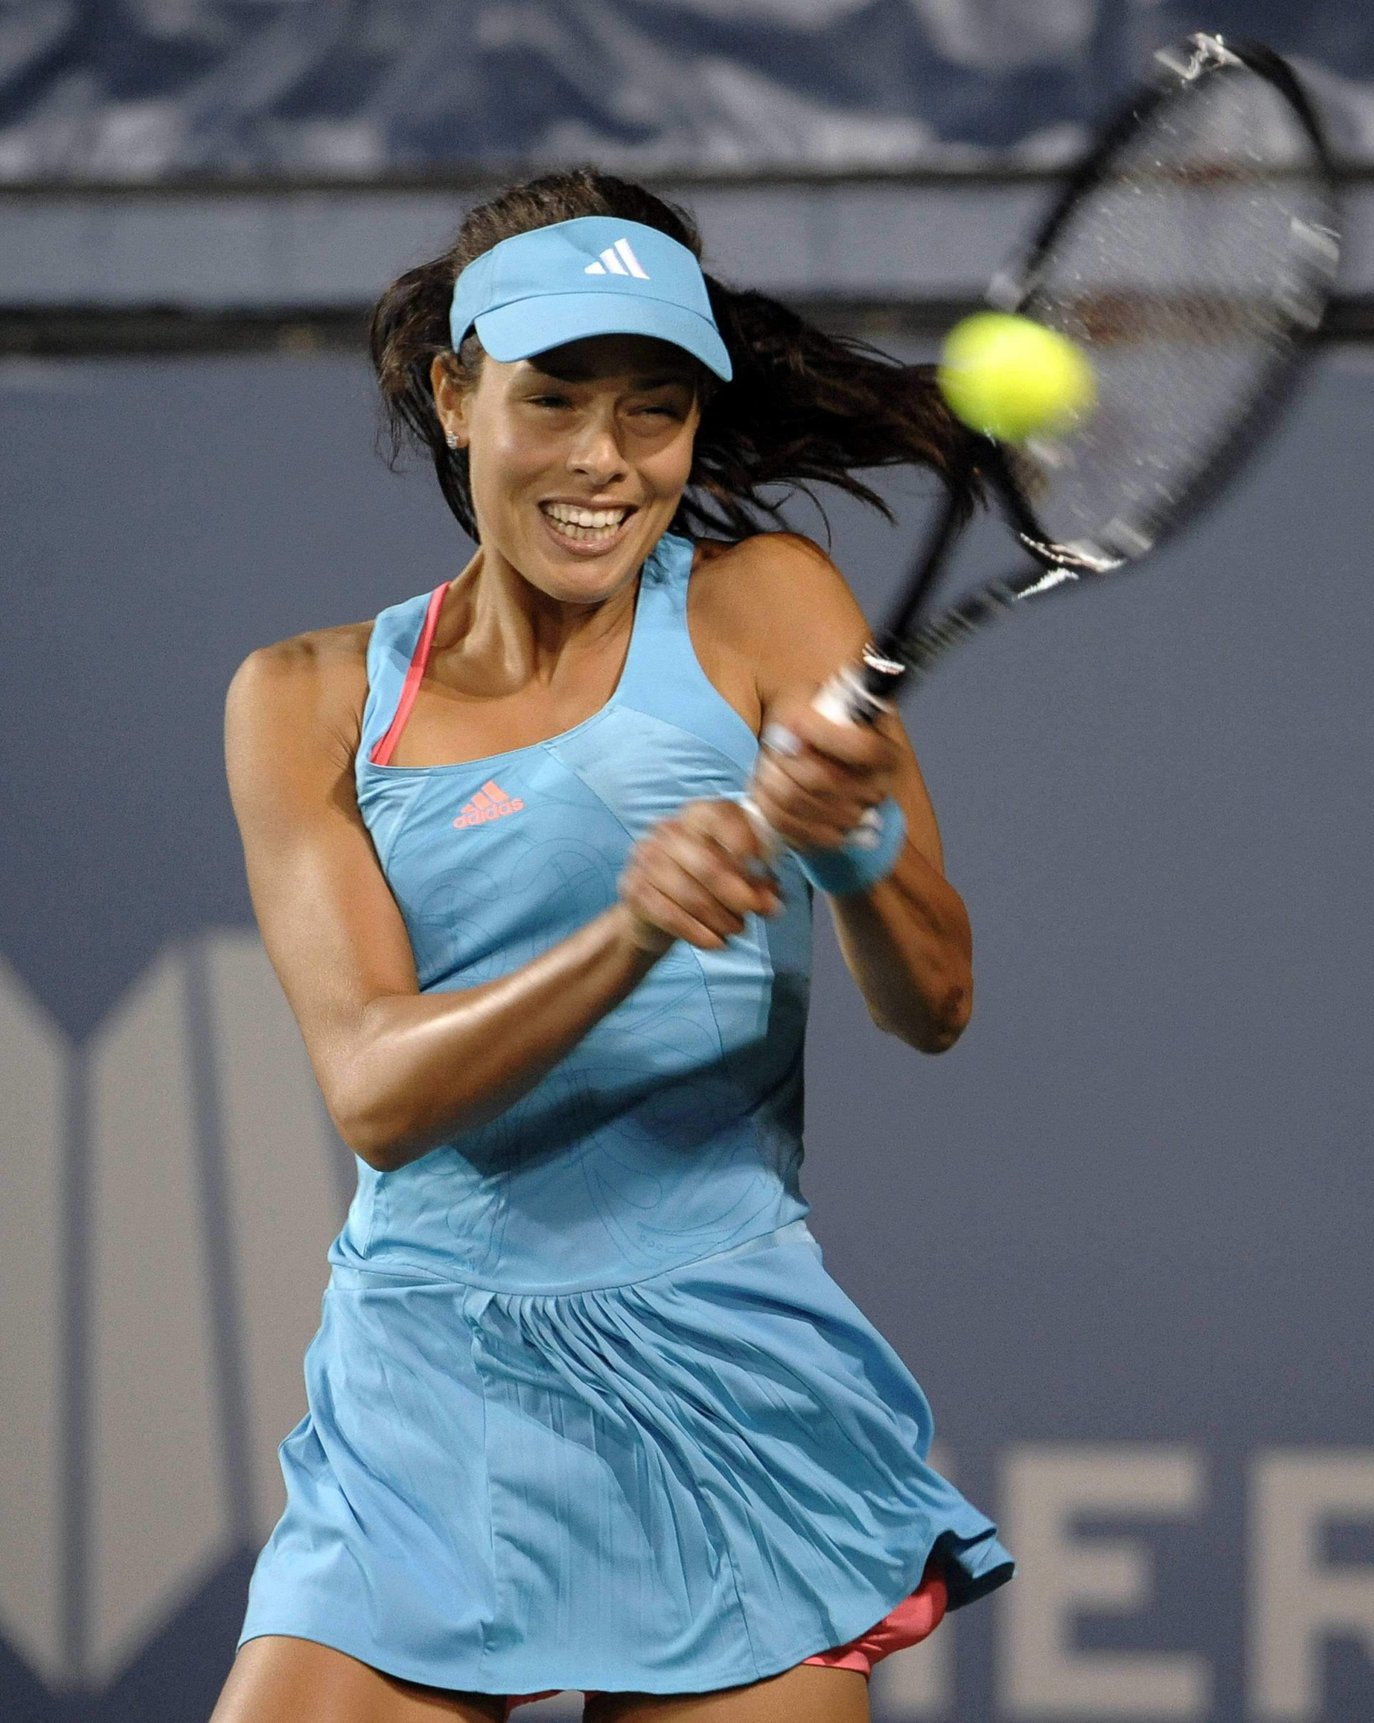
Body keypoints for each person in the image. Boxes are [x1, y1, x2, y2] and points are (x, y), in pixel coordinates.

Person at [211, 168, 1013, 1723]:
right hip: (425, 1390)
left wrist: (853, 848)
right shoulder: (304, 700)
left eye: (653, 409)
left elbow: (936, 1002)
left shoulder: (768, 606)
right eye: (555, 398)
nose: (603, 459)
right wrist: (630, 925)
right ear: (456, 398)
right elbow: (377, 1092)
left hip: (722, 1368)